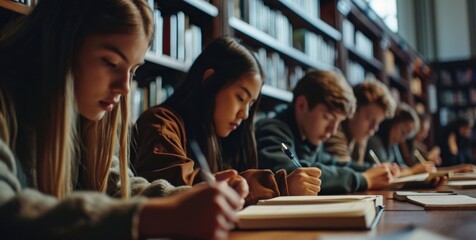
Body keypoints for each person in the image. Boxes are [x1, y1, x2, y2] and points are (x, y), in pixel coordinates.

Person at [0, 1, 246, 239]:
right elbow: (7, 213)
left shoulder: (86, 113)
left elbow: (118, 187)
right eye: (111, 63)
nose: (125, 88)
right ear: (61, 43)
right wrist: (156, 217)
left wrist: (190, 197)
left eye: (133, 71)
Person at [132, 36, 321, 206]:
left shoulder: (219, 135)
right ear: (209, 80)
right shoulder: (161, 123)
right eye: (240, 98)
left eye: (250, 104)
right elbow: (180, 189)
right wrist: (279, 185)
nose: (245, 114)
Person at [255, 70, 394, 194]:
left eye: (338, 122)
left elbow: (333, 163)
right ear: (302, 105)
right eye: (327, 118)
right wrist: (363, 179)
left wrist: (373, 169)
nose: (333, 131)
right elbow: (296, 175)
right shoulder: (272, 130)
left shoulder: (309, 136)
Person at [323, 80, 396, 165]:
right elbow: (344, 169)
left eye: (378, 122)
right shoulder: (334, 129)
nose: (374, 128)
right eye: (369, 118)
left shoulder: (358, 137)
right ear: (353, 111)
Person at [366, 103, 437, 177]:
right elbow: (384, 175)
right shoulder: (375, 142)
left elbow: (402, 166)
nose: (403, 140)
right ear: (393, 122)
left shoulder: (393, 146)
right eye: (403, 132)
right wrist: (413, 171)